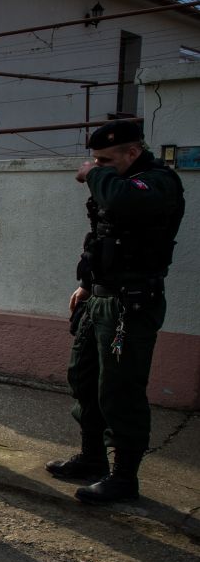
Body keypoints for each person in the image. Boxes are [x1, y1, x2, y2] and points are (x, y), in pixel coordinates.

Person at [46, 121, 185, 503]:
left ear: (132, 153)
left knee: (120, 389)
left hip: (131, 305)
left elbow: (123, 201)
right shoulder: (116, 183)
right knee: (84, 378)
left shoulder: (157, 183)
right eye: (95, 160)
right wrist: (87, 285)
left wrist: (95, 174)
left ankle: (124, 476)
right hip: (101, 299)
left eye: (107, 160)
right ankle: (92, 459)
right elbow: (103, 237)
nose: (99, 166)